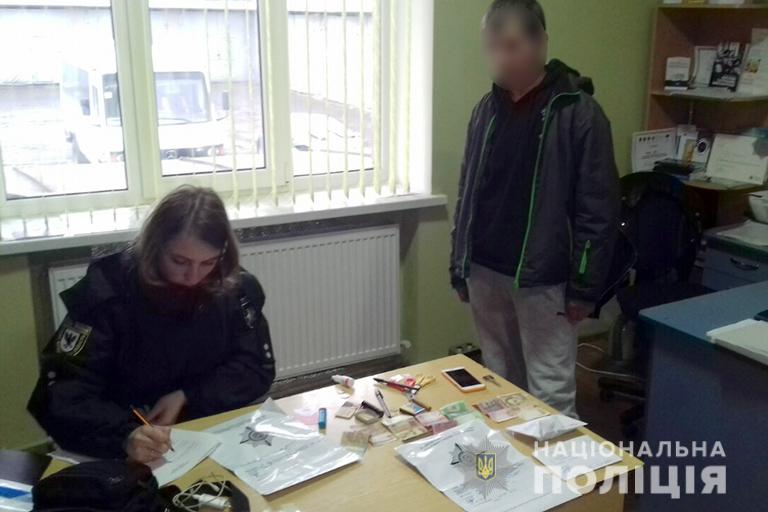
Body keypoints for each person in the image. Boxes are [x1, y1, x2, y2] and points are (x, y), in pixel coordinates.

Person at [449, 0, 619, 418]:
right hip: (485, 270)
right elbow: (467, 191)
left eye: (511, 46)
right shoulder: (485, 110)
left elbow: (598, 209)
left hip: (545, 278)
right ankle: (509, 459)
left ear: (540, 42)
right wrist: (459, 263)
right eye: (492, 47)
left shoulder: (579, 114)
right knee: (500, 384)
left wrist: (584, 287)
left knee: (549, 392)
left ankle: (557, 462)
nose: (501, 58)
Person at [28, 186, 276, 462]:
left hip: (205, 431)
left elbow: (255, 367)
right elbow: (60, 395)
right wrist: (124, 434)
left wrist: (189, 395)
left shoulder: (232, 286)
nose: (193, 276)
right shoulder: (108, 293)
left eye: (207, 262)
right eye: (179, 261)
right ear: (155, 247)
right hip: (125, 438)